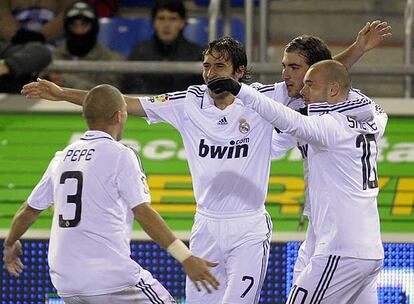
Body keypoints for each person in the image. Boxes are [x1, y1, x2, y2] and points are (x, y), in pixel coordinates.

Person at [20, 21, 391, 303]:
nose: (211, 73)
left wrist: (357, 50)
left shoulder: (264, 97)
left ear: (240, 73)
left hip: (249, 229)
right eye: (207, 65)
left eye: (220, 66)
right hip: (205, 229)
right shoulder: (187, 102)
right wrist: (62, 93)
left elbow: (316, 79)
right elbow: (122, 102)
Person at [3, 84, 219, 303]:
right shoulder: (121, 155)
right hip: (110, 278)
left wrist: (10, 243)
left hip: (65, 283)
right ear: (119, 116)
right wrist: (186, 257)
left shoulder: (61, 157)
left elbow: (28, 210)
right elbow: (143, 212)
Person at [207, 59, 388, 303]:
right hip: (369, 253)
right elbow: (377, 109)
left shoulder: (330, 128)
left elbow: (288, 120)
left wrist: (240, 90)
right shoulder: (372, 123)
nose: (303, 91)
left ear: (333, 90)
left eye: (310, 85)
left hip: (340, 252)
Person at [123, 0, 204, 94]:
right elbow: (132, 90)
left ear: (182, 23)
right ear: (153, 23)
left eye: (173, 19)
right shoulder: (138, 53)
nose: (166, 25)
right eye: (161, 18)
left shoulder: (197, 54)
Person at [42, 1, 125, 90]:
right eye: (74, 25)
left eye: (84, 24)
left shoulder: (112, 60)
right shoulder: (52, 58)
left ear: (94, 27)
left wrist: (66, 80)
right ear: (67, 27)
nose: (79, 30)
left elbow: (109, 94)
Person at [0, 0, 74, 93]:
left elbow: (68, 11)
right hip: (12, 41)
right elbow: (2, 10)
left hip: (51, 42)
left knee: (39, 52)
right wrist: (14, 34)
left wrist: (42, 35)